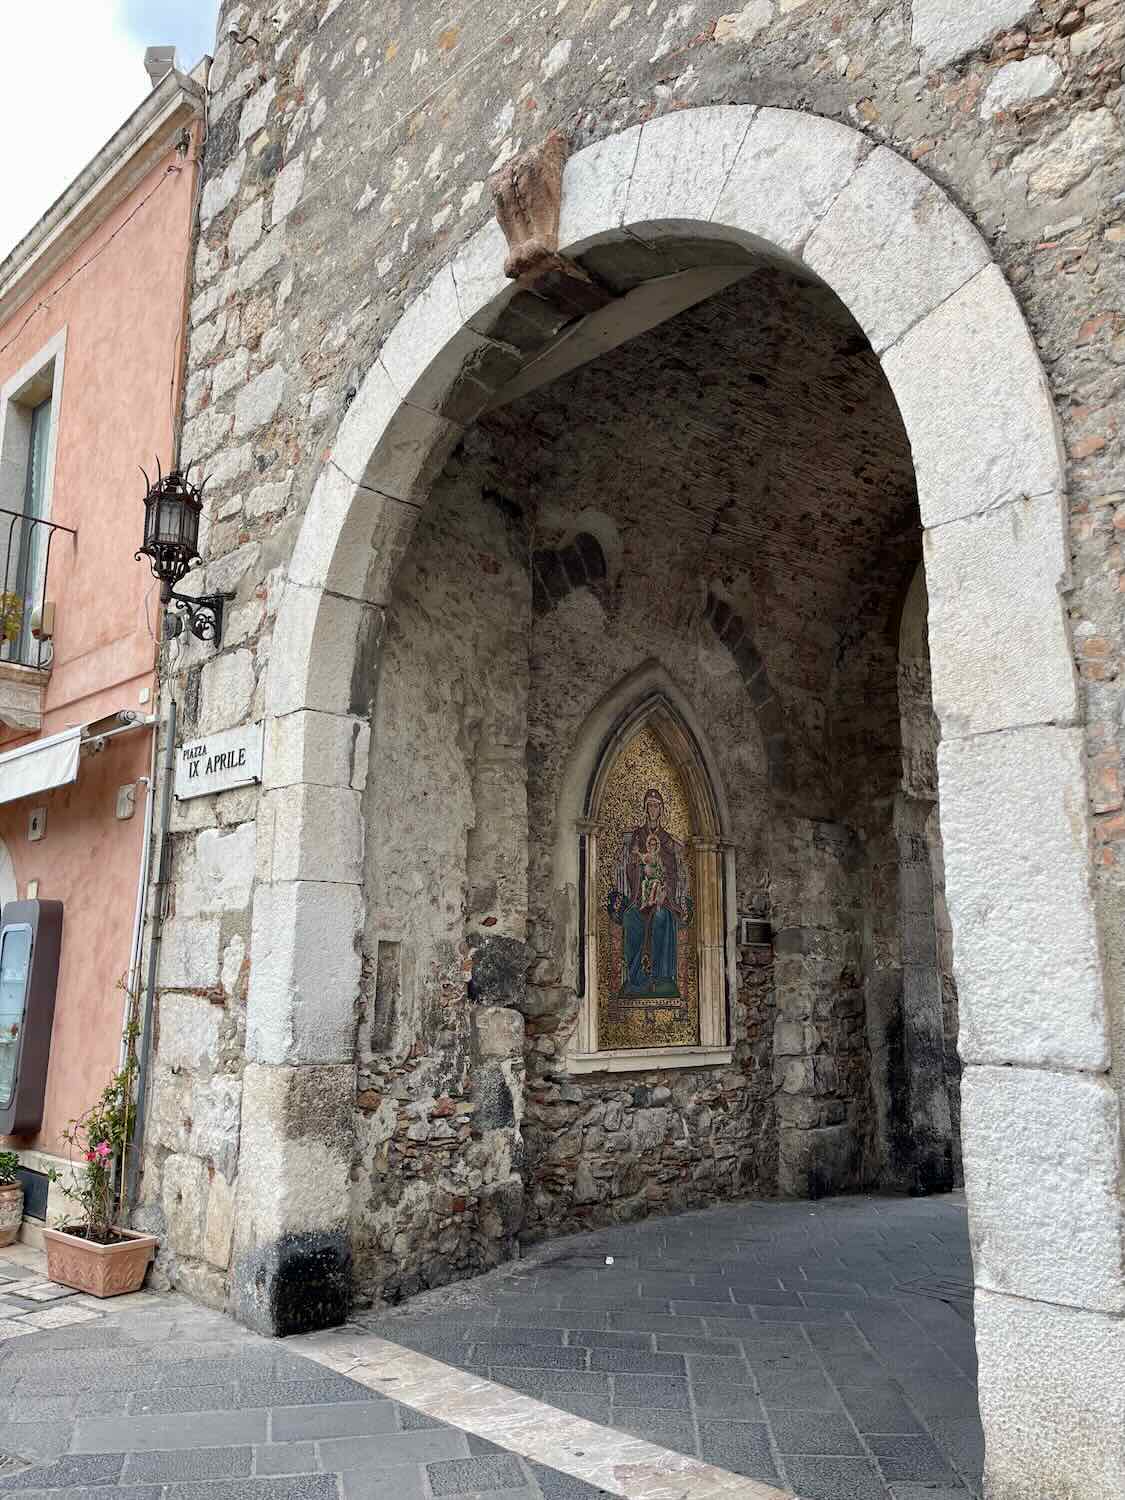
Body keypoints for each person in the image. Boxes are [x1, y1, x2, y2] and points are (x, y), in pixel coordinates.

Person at [608, 788, 691, 997]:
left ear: (661, 810)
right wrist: (641, 869)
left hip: (662, 898)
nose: (653, 809)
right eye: (650, 805)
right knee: (630, 917)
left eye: (656, 805)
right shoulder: (638, 835)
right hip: (641, 896)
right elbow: (628, 866)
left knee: (662, 917)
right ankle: (636, 978)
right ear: (646, 809)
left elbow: (673, 872)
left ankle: (661, 978)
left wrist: (665, 892)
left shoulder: (667, 840)